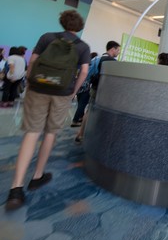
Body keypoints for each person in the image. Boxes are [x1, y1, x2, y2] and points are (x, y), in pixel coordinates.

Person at [5, 11, 90, 210]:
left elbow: (33, 60)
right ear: (79, 27)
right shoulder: (82, 47)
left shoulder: (47, 37)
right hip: (62, 92)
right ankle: (37, 176)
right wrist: (73, 92)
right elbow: (84, 72)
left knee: (32, 132)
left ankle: (15, 188)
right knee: (50, 133)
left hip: (38, 89)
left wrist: (32, 82)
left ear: (62, 22)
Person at [75, 40, 120, 143]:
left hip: (94, 88)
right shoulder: (113, 62)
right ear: (112, 49)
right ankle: (97, 139)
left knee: (89, 111)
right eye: (118, 50)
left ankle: (80, 134)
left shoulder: (97, 58)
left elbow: (88, 74)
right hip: (106, 92)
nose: (118, 52)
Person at [70, 52, 98, 127]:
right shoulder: (91, 65)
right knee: (82, 104)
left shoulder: (82, 64)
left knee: (80, 103)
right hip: (85, 87)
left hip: (78, 85)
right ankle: (75, 120)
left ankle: (80, 118)